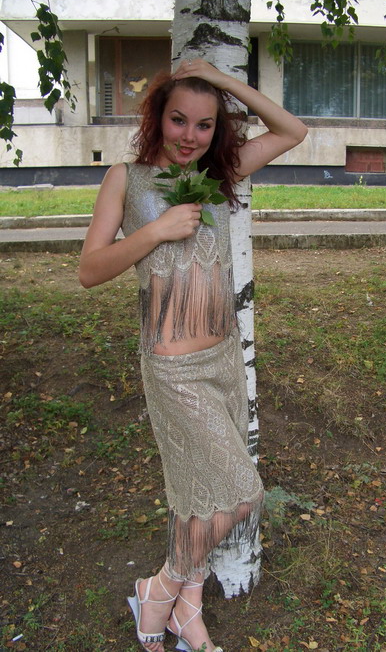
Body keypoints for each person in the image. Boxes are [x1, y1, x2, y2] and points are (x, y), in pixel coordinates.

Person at [79, 58, 307, 652]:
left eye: (205, 125)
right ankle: (159, 588)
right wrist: (153, 232)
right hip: (174, 369)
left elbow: (292, 131)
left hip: (223, 360)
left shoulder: (220, 173)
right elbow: (88, 270)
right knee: (242, 493)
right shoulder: (126, 179)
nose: (190, 136)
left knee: (194, 495)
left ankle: (187, 607)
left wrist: (224, 83)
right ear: (158, 117)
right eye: (179, 119)